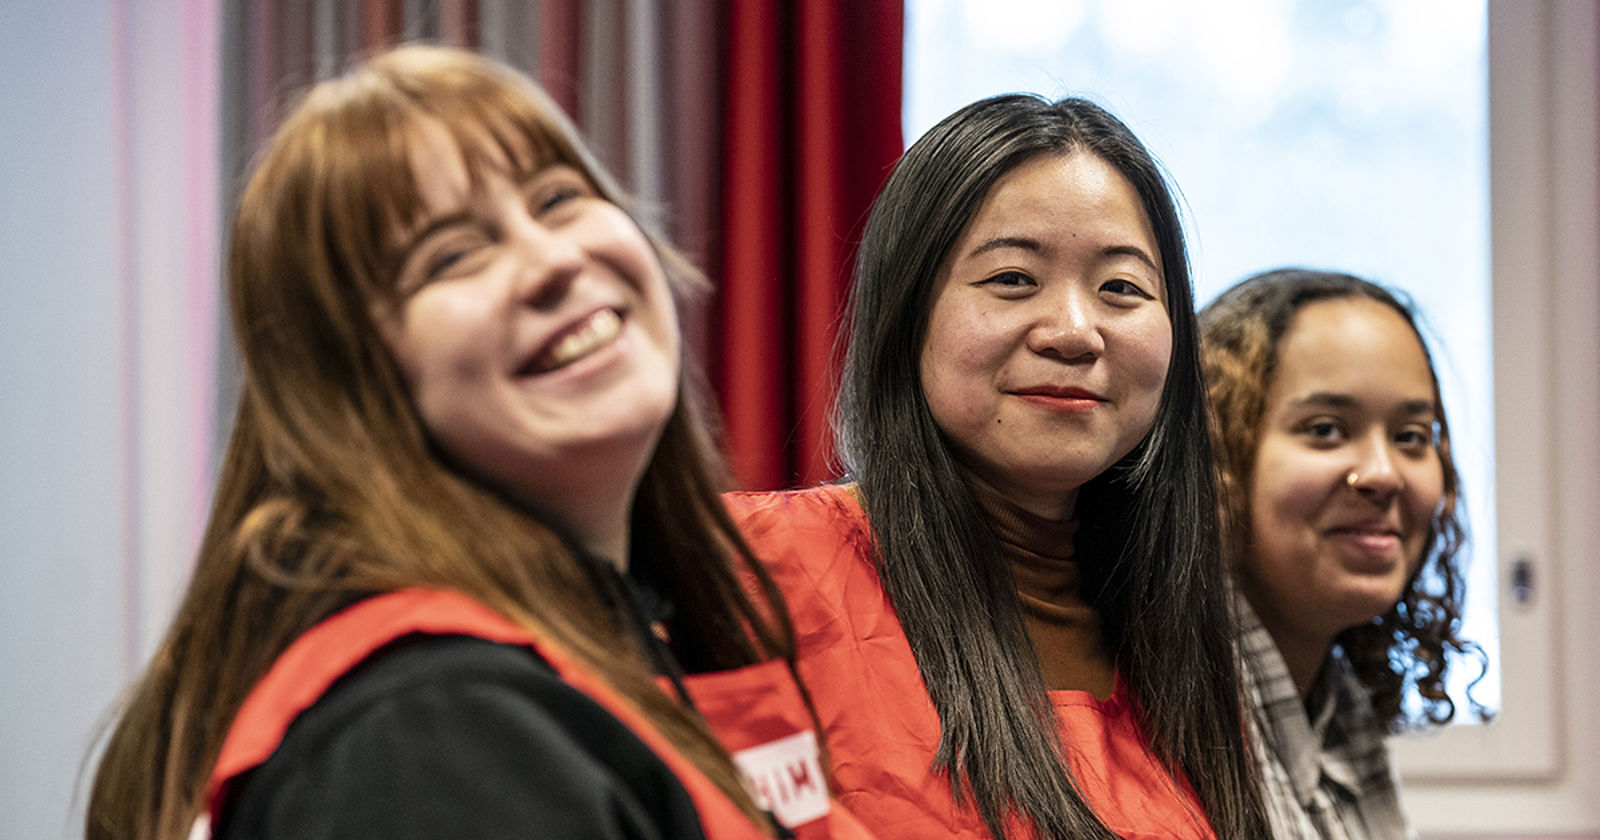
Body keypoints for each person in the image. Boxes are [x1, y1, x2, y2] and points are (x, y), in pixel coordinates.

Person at [86, 45, 869, 840]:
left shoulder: (629, 637)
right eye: (453, 255)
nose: (553, 261)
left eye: (558, 198)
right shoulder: (429, 735)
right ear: (354, 388)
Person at [726, 94, 1271, 839]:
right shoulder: (750, 568)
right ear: (907, 313)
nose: (1075, 333)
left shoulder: (1178, 643)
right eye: (1013, 279)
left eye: (1122, 288)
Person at [1199, 268, 1482, 838]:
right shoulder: (1160, 726)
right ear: (1217, 456)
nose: (1383, 474)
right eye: (1326, 429)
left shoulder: (1337, 707)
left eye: (1411, 437)